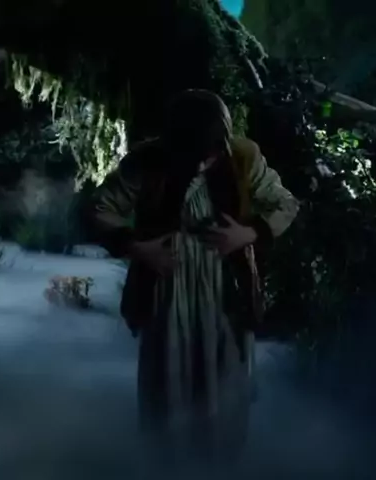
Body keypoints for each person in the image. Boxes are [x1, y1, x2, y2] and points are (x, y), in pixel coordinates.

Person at [90, 89, 299, 467]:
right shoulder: (148, 162)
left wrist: (248, 233)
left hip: (226, 291)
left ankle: (221, 464)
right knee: (167, 387)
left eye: (210, 152)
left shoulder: (243, 157)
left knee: (227, 385)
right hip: (167, 291)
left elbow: (284, 203)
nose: (203, 161)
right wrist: (139, 248)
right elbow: (100, 209)